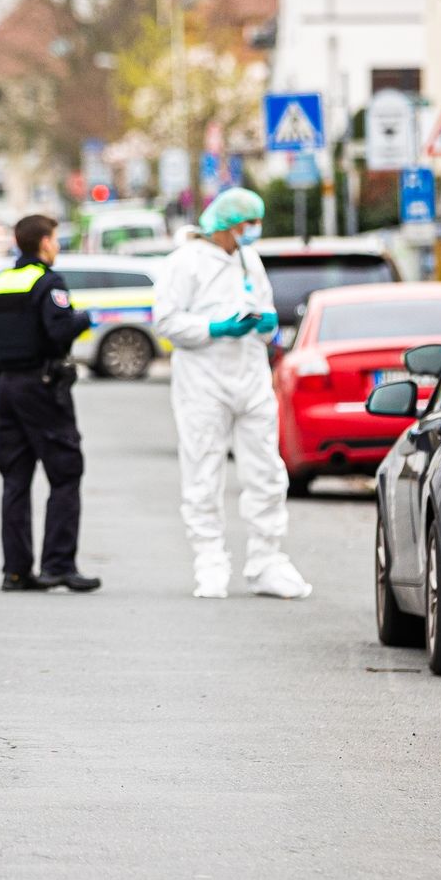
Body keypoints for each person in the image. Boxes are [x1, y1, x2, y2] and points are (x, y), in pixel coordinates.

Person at [154, 187, 310, 601]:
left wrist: (265, 325)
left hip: (251, 376)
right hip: (203, 381)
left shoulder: (247, 259)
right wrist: (215, 329)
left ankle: (266, 561)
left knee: (267, 472)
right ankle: (210, 562)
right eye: (248, 224)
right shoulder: (184, 263)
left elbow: (264, 309)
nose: (253, 231)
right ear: (227, 223)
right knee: (203, 472)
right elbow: (166, 320)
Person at [0, 214, 101, 594]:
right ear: (44, 243)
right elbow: (59, 329)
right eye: (55, 239)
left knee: (15, 479)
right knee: (65, 472)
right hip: (43, 387)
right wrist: (82, 319)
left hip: (8, 389)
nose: (57, 246)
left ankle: (16, 572)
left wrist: (5, 379)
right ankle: (58, 565)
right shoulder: (48, 282)